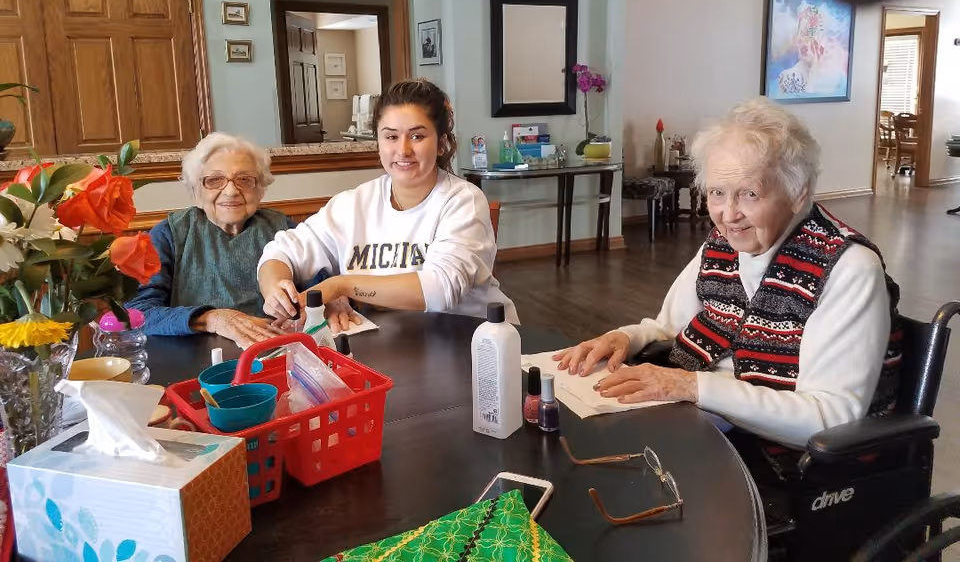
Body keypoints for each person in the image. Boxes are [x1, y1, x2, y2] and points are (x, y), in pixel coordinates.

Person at [554, 98, 900, 449]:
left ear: (798, 194)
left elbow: (827, 420)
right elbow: (668, 328)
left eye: (750, 194)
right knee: (566, 440)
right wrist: (627, 338)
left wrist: (690, 386)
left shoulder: (848, 269)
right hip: (704, 426)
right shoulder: (723, 244)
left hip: (782, 463)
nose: (728, 214)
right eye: (717, 193)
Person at [258, 78, 518, 330]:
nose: (403, 150)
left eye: (417, 136)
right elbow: (281, 251)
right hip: (392, 346)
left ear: (441, 143)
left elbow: (440, 290)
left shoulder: (463, 201)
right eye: (391, 137)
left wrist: (341, 286)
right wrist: (276, 291)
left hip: (476, 344)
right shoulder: (353, 204)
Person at [129, 133, 291, 348]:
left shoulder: (284, 228)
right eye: (214, 180)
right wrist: (211, 319)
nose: (231, 191)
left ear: (260, 189)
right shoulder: (169, 234)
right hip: (193, 356)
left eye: (244, 180)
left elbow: (320, 291)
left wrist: (334, 302)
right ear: (196, 191)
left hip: (275, 351)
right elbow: (137, 312)